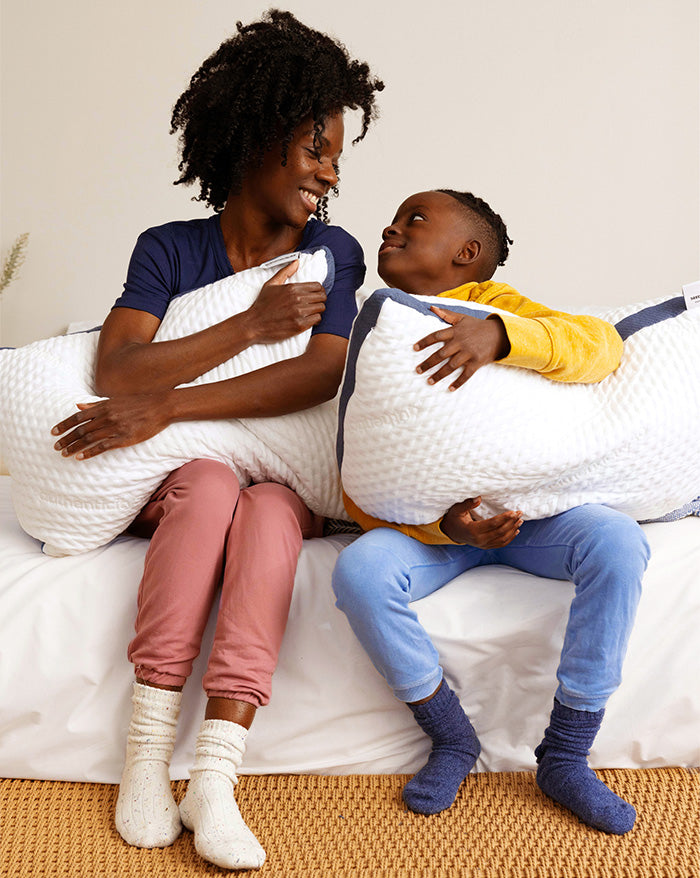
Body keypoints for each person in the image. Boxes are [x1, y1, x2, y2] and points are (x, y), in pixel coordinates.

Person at [50, 10, 383, 871]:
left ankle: (217, 777)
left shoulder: (327, 251)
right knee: (204, 486)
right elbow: (121, 372)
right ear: (258, 136)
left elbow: (319, 373)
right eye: (317, 149)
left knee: (268, 509)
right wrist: (246, 326)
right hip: (185, 479)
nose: (330, 175)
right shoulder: (169, 249)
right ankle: (145, 758)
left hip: (279, 477)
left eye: (339, 157)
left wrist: (173, 405)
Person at [332, 189, 649, 835]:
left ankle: (565, 754)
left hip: (535, 521)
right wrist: (441, 526)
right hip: (438, 534)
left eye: (414, 218)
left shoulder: (497, 307)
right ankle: (450, 736)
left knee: (617, 543)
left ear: (467, 254)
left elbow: (600, 346)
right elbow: (362, 475)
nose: (391, 226)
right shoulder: (374, 328)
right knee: (360, 572)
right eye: (395, 217)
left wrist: (500, 335)